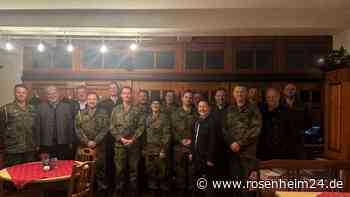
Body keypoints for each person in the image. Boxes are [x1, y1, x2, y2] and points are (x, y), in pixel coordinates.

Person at [223, 85, 262, 197]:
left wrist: (240, 143)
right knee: (234, 180)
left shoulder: (253, 109)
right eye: (237, 92)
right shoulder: (229, 109)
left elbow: (255, 129)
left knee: (248, 181)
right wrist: (231, 142)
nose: (239, 94)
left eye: (242, 92)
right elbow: (224, 129)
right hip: (232, 150)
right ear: (233, 94)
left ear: (246, 94)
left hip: (248, 151)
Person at [110, 87, 145, 197]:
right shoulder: (116, 109)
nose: (127, 95)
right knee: (119, 169)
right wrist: (120, 138)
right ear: (121, 95)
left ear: (131, 95)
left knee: (133, 169)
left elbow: (141, 126)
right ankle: (119, 189)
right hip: (119, 144)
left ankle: (133, 191)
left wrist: (133, 139)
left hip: (134, 145)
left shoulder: (137, 109)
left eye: (129, 93)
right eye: (124, 93)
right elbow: (111, 127)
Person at [75, 92, 110, 195]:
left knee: (100, 169)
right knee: (85, 169)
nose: (92, 101)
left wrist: (95, 141)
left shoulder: (103, 112)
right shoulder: (80, 113)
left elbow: (106, 128)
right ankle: (85, 191)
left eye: (94, 99)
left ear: (97, 100)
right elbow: (78, 129)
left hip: (99, 146)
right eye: (90, 99)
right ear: (87, 100)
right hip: (84, 147)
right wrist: (87, 141)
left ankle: (101, 190)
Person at [257, 88, 302, 160]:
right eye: (269, 97)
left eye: (273, 97)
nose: (271, 99)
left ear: (278, 97)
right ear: (266, 98)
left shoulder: (288, 112)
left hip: (284, 153)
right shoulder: (260, 112)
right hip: (264, 153)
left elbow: (294, 134)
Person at [34, 86, 75, 160]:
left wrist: (71, 141)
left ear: (58, 94)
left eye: (54, 93)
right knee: (46, 165)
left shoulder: (67, 107)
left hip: (63, 143)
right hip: (46, 143)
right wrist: (37, 143)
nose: (52, 96)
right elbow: (37, 127)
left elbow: (70, 125)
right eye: (49, 94)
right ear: (46, 96)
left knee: (63, 165)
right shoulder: (39, 107)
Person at [0, 84, 36, 167]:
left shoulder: (32, 109)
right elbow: (1, 129)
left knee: (29, 174)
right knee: (12, 175)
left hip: (29, 149)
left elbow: (35, 128)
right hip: (13, 150)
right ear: (14, 93)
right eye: (18, 92)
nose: (21, 94)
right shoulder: (5, 109)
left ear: (27, 94)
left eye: (23, 92)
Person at [171, 90, 197, 196]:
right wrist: (180, 140)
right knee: (179, 172)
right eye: (186, 97)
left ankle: (192, 192)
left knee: (193, 172)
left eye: (190, 97)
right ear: (182, 98)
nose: (188, 99)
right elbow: (172, 129)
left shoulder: (196, 113)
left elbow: (200, 129)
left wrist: (192, 140)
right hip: (178, 147)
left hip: (193, 147)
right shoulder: (175, 113)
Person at [97, 81, 122, 193]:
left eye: (115, 88)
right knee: (108, 162)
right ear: (109, 90)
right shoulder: (103, 103)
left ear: (118, 89)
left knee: (120, 163)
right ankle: (109, 185)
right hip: (107, 138)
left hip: (121, 138)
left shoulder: (123, 101)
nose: (113, 89)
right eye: (111, 88)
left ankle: (119, 185)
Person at [144, 97, 171, 197]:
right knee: (150, 171)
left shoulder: (164, 117)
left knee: (162, 172)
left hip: (160, 148)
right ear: (150, 106)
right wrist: (144, 149)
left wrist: (163, 149)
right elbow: (143, 134)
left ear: (160, 106)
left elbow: (167, 135)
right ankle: (152, 189)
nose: (155, 105)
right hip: (149, 149)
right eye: (153, 103)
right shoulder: (147, 118)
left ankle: (163, 190)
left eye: (157, 104)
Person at [190, 100, 217, 197]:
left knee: (207, 182)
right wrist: (191, 153)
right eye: (200, 106)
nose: (202, 108)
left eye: (204, 106)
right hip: (197, 156)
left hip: (206, 157)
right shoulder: (197, 121)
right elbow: (193, 138)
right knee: (197, 179)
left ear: (209, 108)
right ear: (197, 109)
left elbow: (213, 142)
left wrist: (210, 158)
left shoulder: (212, 122)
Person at [281, 83, 311, 158]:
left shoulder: (303, 105)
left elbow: (309, 123)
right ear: (283, 91)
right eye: (288, 89)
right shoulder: (279, 105)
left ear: (296, 91)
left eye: (292, 89)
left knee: (299, 164)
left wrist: (304, 133)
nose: (290, 91)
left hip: (299, 141)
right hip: (282, 141)